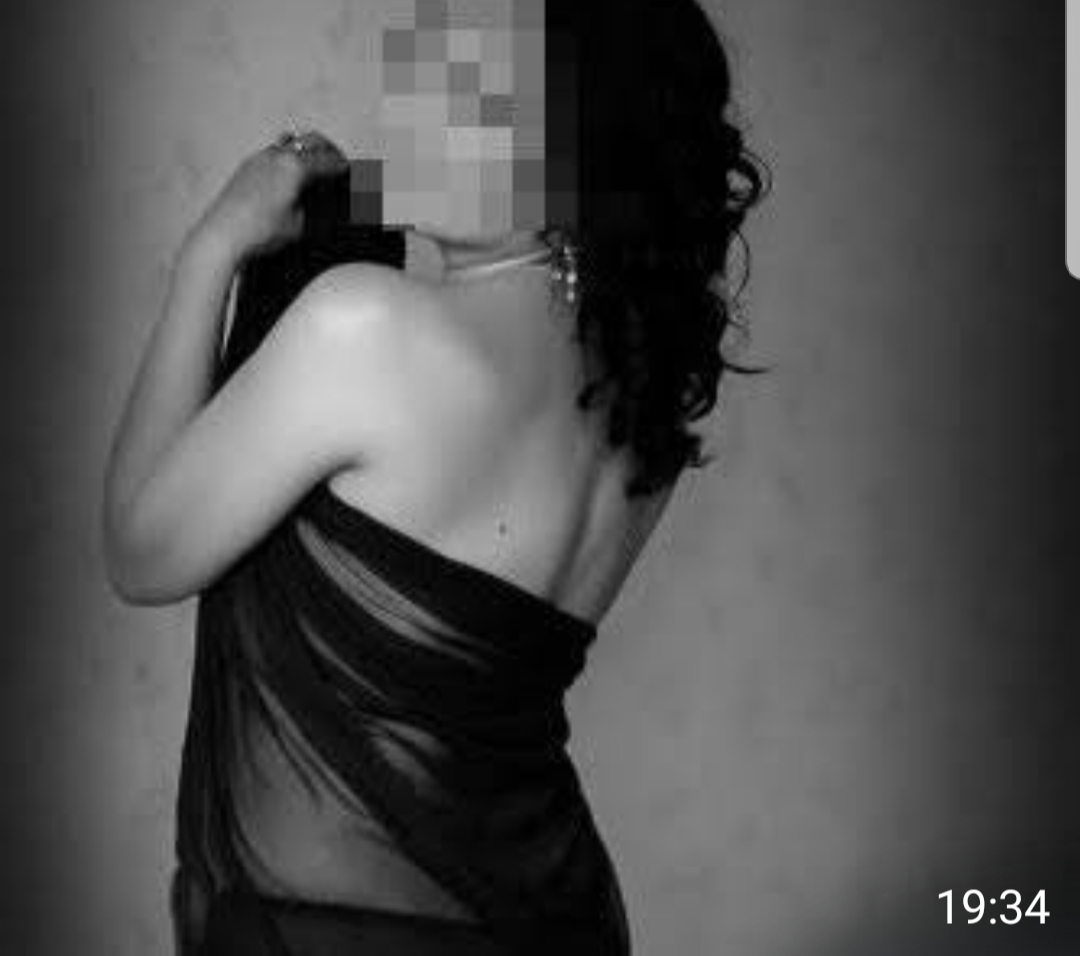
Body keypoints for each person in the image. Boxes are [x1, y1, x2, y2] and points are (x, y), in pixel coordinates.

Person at [101, 0, 768, 953]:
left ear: (577, 154)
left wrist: (211, 250)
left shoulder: (366, 326)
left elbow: (139, 552)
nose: (416, 110)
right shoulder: (643, 419)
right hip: (558, 918)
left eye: (479, 94)